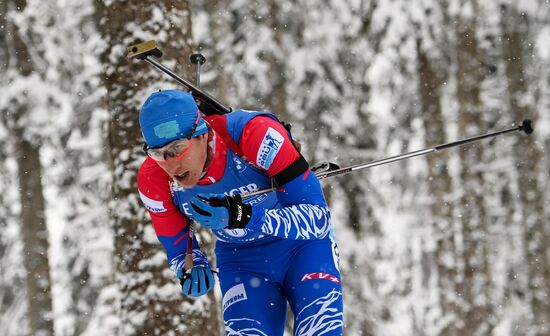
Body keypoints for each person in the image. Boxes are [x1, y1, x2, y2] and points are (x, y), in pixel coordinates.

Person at [137, 89, 343, 335]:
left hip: (303, 247)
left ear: (201, 133)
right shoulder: (153, 179)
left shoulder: (254, 135)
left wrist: (244, 216)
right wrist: (191, 268)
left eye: (178, 147)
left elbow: (316, 219)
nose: (171, 164)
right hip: (241, 262)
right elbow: (180, 250)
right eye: (158, 154)